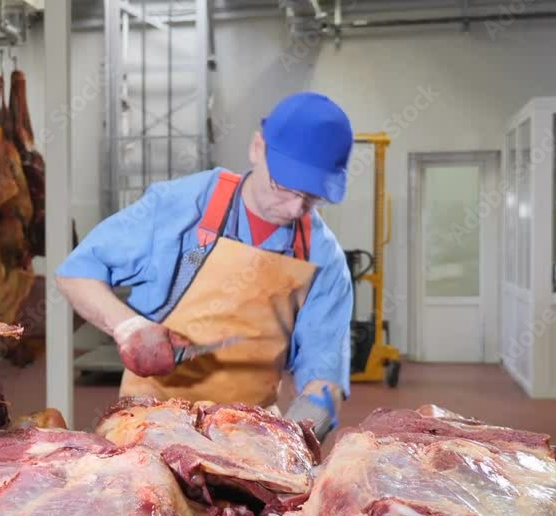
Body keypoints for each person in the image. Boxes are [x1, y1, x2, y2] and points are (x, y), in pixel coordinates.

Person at [55, 92, 354, 440]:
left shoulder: (324, 258)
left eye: (312, 198)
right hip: (148, 426)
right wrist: (128, 327)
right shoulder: (180, 205)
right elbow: (76, 273)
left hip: (248, 436)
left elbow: (325, 379)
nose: (294, 209)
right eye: (283, 188)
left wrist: (293, 441)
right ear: (257, 148)